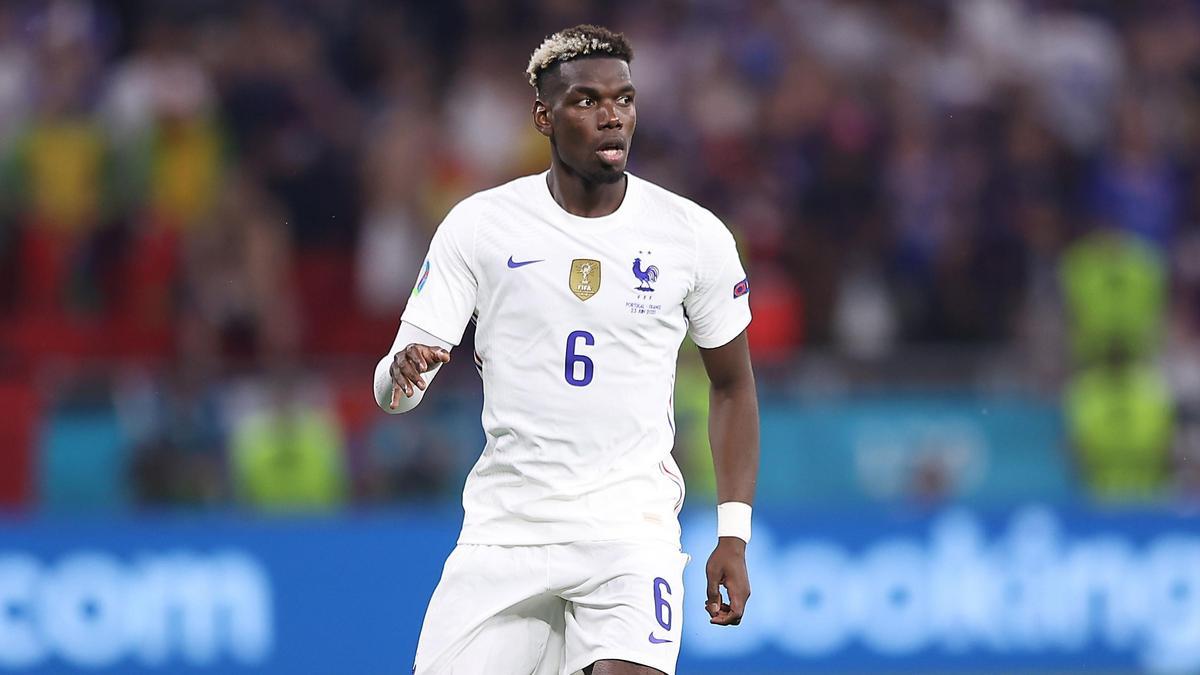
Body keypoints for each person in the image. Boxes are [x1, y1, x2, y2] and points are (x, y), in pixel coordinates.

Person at [373, 25, 759, 675]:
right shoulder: (481, 226)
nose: (611, 116)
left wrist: (734, 533)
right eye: (586, 101)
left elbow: (732, 386)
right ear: (543, 117)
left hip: (630, 535)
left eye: (625, 99)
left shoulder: (692, 237)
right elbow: (396, 390)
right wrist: (400, 373)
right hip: (507, 533)